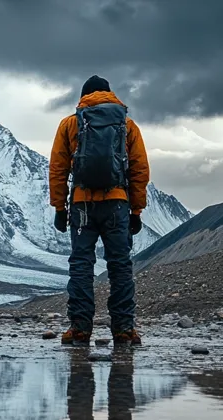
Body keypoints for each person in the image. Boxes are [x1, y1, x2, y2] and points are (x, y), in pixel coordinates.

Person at [49, 75, 150, 346]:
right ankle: (124, 330)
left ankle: (80, 328)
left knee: (81, 265)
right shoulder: (127, 125)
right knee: (120, 266)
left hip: (82, 205)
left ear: (83, 97)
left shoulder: (70, 124)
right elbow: (139, 170)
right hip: (117, 203)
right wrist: (136, 210)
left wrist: (59, 207)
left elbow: (58, 169)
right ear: (110, 95)